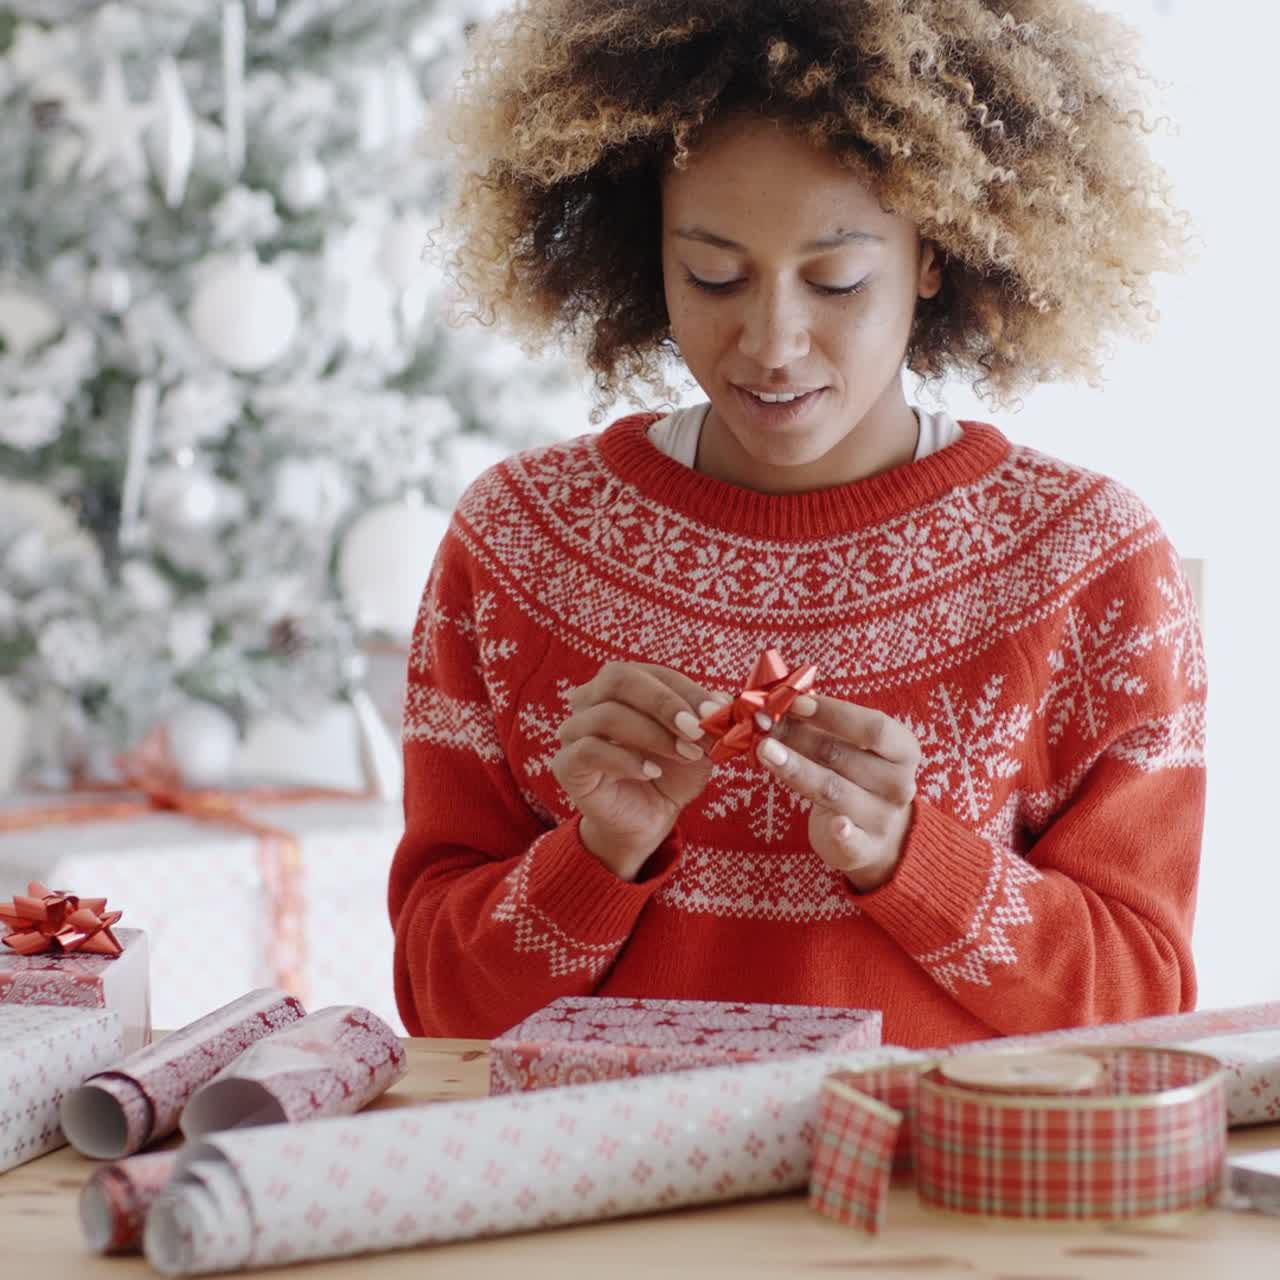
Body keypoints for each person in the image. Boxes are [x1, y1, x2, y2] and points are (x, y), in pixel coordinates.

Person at [388, 0, 1205, 1048]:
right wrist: (597, 854)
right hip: (606, 1201)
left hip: (938, 1197)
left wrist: (911, 858)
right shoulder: (517, 541)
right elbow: (438, 1004)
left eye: (836, 279)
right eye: (713, 275)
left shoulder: (1086, 560)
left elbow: (1143, 1006)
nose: (771, 342)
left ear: (934, 255)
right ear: (645, 252)